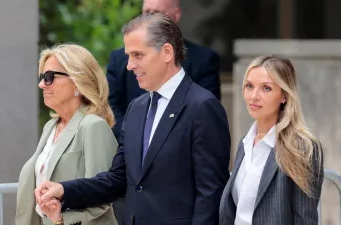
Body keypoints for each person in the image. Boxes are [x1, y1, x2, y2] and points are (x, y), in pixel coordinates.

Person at [35, 13, 231, 225]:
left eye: (138, 55)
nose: (129, 65)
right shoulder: (136, 108)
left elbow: (211, 193)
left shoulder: (202, 107)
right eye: (129, 56)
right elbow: (118, 179)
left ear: (166, 52)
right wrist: (64, 190)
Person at [15, 44, 118, 225]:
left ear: (78, 81)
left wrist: (62, 219)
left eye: (49, 77)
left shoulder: (93, 126)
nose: (41, 84)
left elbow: (103, 193)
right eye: (42, 77)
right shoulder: (50, 127)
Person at [219, 55, 324, 225]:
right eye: (249, 86)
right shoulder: (245, 143)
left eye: (266, 88)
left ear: (284, 95)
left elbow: (305, 219)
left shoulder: (302, 147)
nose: (254, 96)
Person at [108, 0, 221, 140]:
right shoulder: (120, 60)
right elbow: (112, 109)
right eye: (146, 13)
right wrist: (136, 143)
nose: (150, 19)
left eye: (157, 13)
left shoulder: (203, 60)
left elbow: (205, 118)